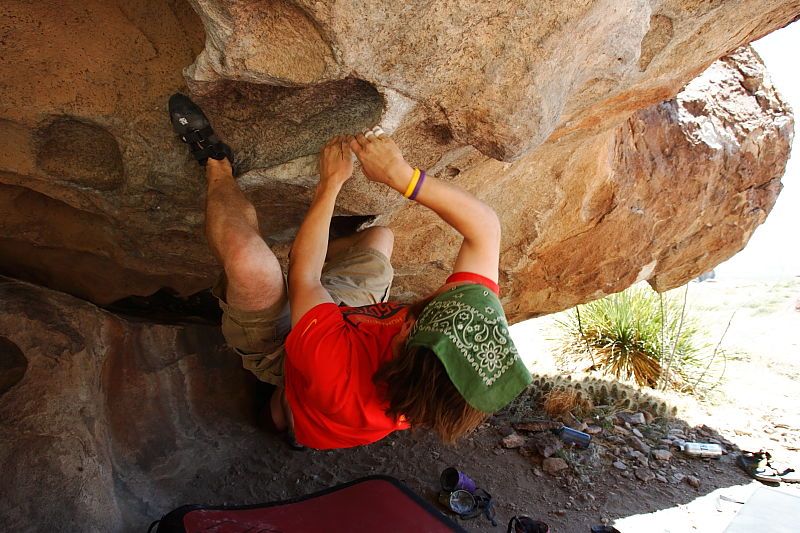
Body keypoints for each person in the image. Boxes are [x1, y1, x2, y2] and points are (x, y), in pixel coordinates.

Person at [168, 93, 531, 450]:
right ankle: (292, 381)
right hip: (349, 324)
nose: (413, 315)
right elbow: (485, 229)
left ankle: (216, 165)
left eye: (417, 323)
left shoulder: (337, 379)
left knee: (251, 263)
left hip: (293, 359)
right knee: (379, 238)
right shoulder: (464, 343)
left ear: (407, 351)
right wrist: (403, 177)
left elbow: (304, 274)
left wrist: (330, 184)